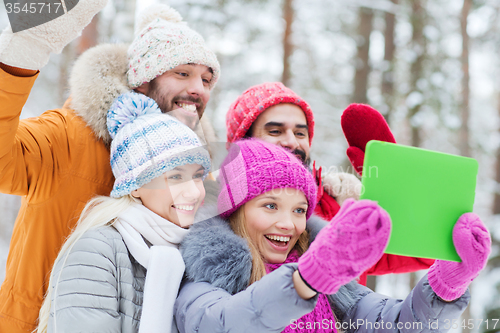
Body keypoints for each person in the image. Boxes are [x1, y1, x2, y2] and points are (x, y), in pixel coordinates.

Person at [0, 2, 220, 331]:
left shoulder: (198, 174)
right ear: (143, 83)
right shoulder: (69, 136)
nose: (198, 88)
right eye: (183, 73)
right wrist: (26, 50)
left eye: (206, 79)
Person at [175, 138, 490, 332]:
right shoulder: (204, 278)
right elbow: (224, 324)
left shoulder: (331, 282)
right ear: (235, 209)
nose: (288, 224)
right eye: (270, 206)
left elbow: (393, 325)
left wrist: (446, 284)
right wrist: (305, 280)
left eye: (299, 210)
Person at [225, 82, 435, 285]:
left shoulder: (335, 210)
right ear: (243, 142)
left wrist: (395, 190)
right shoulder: (221, 214)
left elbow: (426, 251)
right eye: (275, 131)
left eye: (300, 133)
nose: (291, 142)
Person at [36, 91, 211, 333]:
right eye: (175, 177)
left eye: (198, 176)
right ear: (136, 185)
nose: (193, 193)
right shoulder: (97, 251)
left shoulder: (201, 251)